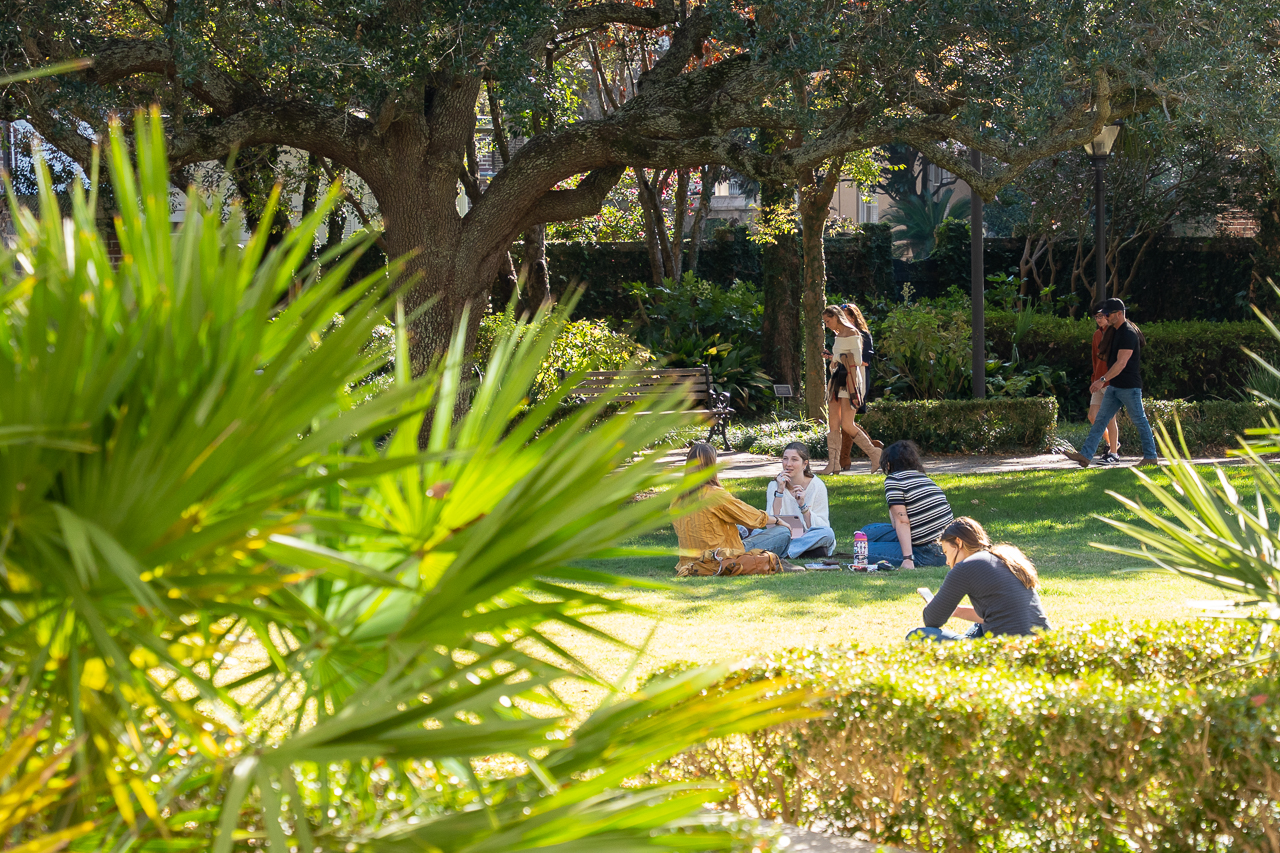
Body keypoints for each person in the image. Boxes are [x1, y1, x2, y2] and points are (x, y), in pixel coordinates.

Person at [906, 517, 1052, 641]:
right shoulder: (1005, 558)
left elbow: (932, 619)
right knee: (979, 625)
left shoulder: (965, 567)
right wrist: (956, 611)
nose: (947, 561)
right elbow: (998, 614)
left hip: (1005, 651)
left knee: (916, 636)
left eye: (946, 552)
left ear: (958, 542)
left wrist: (932, 607)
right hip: (1041, 646)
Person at [1060, 298, 1159, 467]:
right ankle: (1085, 456)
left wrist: (1102, 380)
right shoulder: (1115, 331)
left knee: (1140, 421)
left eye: (1108, 314)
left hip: (1129, 387)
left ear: (1119, 314)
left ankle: (1151, 457)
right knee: (1100, 420)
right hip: (1114, 386)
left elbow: (1121, 363)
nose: (1105, 317)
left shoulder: (1128, 333)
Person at [671, 442, 792, 573]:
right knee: (783, 532)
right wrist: (778, 520)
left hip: (690, 562)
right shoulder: (714, 494)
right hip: (721, 558)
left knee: (740, 528)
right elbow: (752, 517)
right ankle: (777, 561)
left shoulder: (677, 497)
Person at [858, 440, 953, 567]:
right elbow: (896, 524)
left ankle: (906, 553)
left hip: (927, 551)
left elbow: (902, 522)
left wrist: (908, 559)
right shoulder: (922, 477)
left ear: (888, 464)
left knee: (861, 551)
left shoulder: (894, 480)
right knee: (864, 534)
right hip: (947, 546)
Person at [818, 304, 883, 476]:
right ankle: (833, 464)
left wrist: (837, 358)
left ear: (836, 317)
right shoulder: (838, 334)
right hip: (836, 378)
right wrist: (833, 361)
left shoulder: (854, 333)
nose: (827, 325)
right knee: (833, 423)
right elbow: (840, 357)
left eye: (828, 320)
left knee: (847, 424)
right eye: (825, 322)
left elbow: (858, 360)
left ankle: (875, 454)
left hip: (850, 380)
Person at [744, 442, 836, 559]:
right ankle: (798, 551)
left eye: (794, 460)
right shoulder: (774, 485)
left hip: (806, 536)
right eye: (785, 459)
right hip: (780, 535)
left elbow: (821, 525)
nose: (788, 464)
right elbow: (770, 522)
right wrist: (780, 492)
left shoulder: (817, 486)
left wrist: (803, 506)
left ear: (805, 464)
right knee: (744, 529)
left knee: (828, 534)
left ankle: (782, 552)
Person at [839, 303, 882, 470]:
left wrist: (844, 357)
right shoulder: (841, 335)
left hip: (857, 379)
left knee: (847, 422)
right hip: (842, 378)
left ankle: (851, 456)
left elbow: (864, 361)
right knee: (845, 421)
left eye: (845, 316)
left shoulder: (863, 335)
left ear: (853, 317)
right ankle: (871, 447)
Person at [1088, 305, 1121, 463]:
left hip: (1109, 381)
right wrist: (1095, 378)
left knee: (1110, 418)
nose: (1099, 319)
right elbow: (1095, 359)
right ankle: (1112, 443)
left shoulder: (1115, 332)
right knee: (1092, 416)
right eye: (1096, 317)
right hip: (1098, 380)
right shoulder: (1096, 335)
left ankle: (1113, 453)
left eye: (1101, 316)